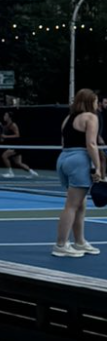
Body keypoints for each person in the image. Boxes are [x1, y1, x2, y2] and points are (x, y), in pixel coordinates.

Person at [53, 89, 101, 258]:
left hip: (63, 159)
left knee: (80, 204)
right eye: (96, 101)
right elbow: (91, 144)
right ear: (89, 102)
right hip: (79, 159)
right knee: (72, 205)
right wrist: (98, 167)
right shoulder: (91, 117)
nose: (97, 104)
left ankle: (79, 242)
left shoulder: (67, 119)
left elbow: (63, 143)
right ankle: (61, 245)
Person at [0, 109, 34, 177]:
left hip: (17, 145)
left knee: (4, 156)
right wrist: (2, 137)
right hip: (13, 145)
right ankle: (32, 172)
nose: (4, 116)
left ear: (9, 117)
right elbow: (3, 136)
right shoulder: (5, 125)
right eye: (4, 115)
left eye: (6, 115)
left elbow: (17, 135)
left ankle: (10, 173)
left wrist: (6, 137)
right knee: (18, 163)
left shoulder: (13, 125)